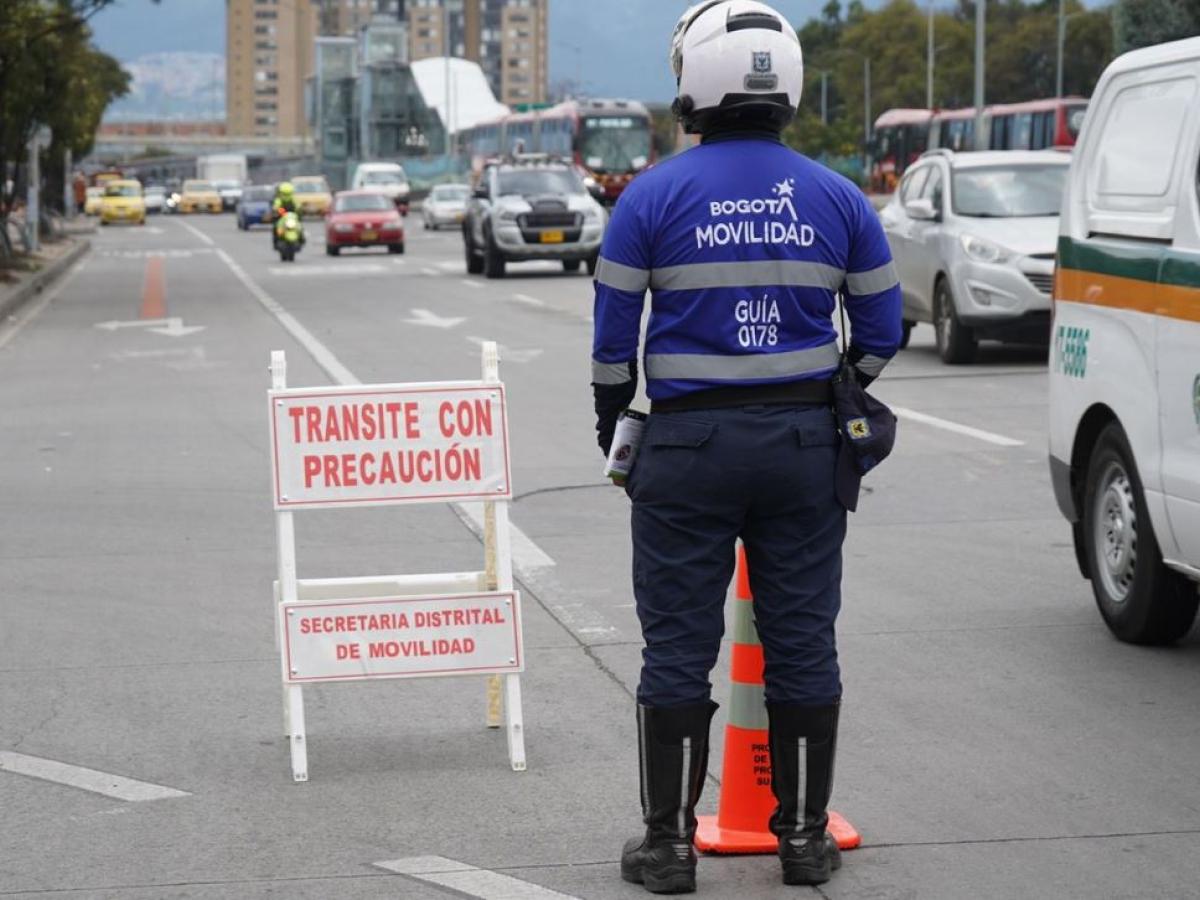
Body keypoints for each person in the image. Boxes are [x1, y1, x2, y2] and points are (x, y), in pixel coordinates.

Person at [590, 1, 902, 893]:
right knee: (804, 640)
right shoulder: (838, 194)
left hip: (686, 448)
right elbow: (883, 327)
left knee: (676, 649)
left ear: (694, 81)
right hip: (806, 446)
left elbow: (613, 345)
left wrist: (615, 425)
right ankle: (803, 839)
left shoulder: (649, 195)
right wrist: (841, 386)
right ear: (788, 82)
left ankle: (669, 847)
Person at [271, 182, 298, 248]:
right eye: (285, 194)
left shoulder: (293, 199)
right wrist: (281, 212)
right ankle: (276, 241)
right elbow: (276, 207)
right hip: (282, 218)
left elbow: (298, 206)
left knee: (299, 227)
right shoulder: (279, 200)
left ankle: (300, 238)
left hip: (292, 218)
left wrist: (299, 211)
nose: (286, 196)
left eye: (288, 194)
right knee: (276, 228)